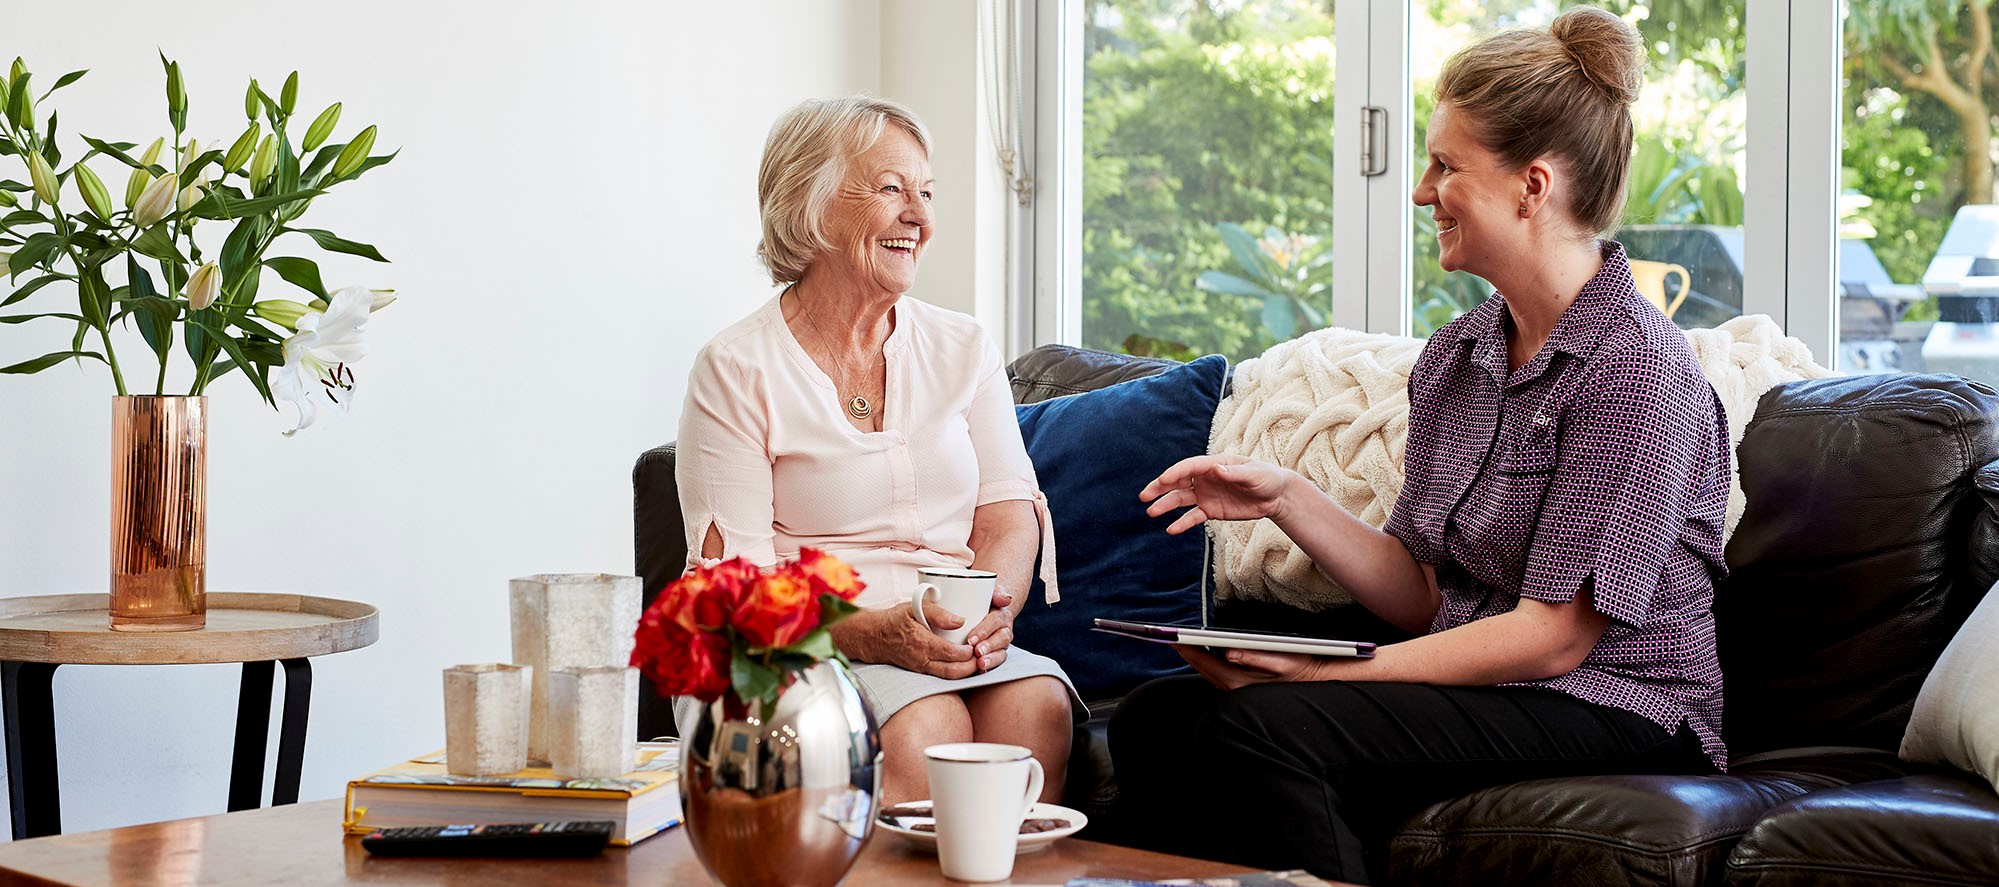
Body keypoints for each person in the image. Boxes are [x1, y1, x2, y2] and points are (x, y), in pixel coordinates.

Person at [1108, 8, 1729, 883]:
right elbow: (1426, 594)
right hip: (1500, 683)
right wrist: (1286, 496)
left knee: (1267, 727)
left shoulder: (1634, 371)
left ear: (1532, 185)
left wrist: (1325, 682)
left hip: (1620, 702)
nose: (1419, 190)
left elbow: (1552, 640)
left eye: (1446, 166)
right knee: (1152, 719)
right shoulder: (1457, 358)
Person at [675, 95, 1076, 805]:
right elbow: (736, 591)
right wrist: (874, 635)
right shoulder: (736, 366)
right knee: (926, 725)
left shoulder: (962, 346)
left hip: (948, 635)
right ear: (808, 204)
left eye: (926, 192)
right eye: (891, 189)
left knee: (1035, 704)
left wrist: (989, 614)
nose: (919, 217)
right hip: (800, 648)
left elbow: (1007, 515)